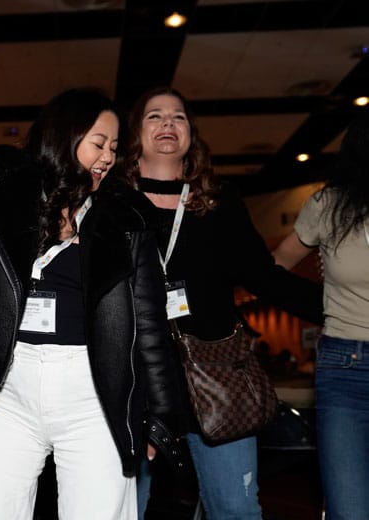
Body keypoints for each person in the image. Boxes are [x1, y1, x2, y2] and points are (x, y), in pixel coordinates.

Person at [0, 7, 180, 519]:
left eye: (114, 147)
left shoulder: (126, 216)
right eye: (98, 142)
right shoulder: (7, 188)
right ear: (65, 135)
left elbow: (149, 322)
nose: (106, 156)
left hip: (93, 393)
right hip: (11, 388)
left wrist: (157, 413)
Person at [120, 86, 323, 519]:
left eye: (179, 117)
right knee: (119, 511)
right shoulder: (109, 203)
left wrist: (337, 308)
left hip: (216, 376)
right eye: (155, 116)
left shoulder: (218, 202)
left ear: (192, 133)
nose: (168, 124)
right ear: (135, 132)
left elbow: (266, 278)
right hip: (131, 379)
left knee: (236, 509)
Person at [272, 112, 369, 520]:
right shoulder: (328, 206)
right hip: (342, 369)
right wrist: (318, 304)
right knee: (349, 511)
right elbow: (275, 265)